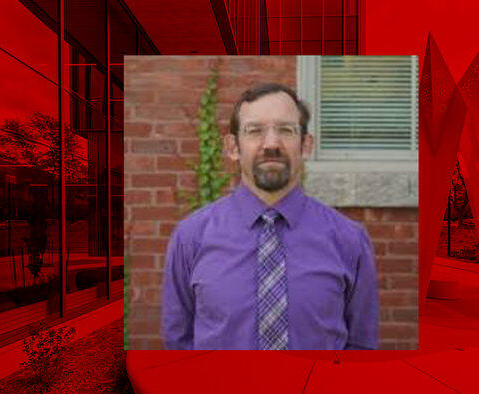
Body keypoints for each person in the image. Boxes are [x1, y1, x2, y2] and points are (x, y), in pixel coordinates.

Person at [161, 83, 378, 350]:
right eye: (255, 131)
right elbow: (178, 346)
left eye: (286, 130)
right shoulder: (190, 238)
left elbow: (361, 348)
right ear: (232, 147)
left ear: (305, 145)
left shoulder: (350, 240)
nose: (272, 143)